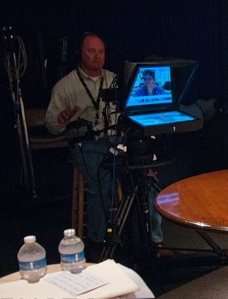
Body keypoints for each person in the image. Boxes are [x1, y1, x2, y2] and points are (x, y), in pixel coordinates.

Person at [45, 32, 165, 251]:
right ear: (80, 53)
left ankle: (155, 242)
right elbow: (52, 126)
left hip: (116, 141)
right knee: (101, 182)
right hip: (86, 144)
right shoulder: (65, 86)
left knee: (148, 179)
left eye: (101, 52)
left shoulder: (115, 79)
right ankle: (100, 244)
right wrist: (62, 120)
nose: (96, 56)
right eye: (91, 51)